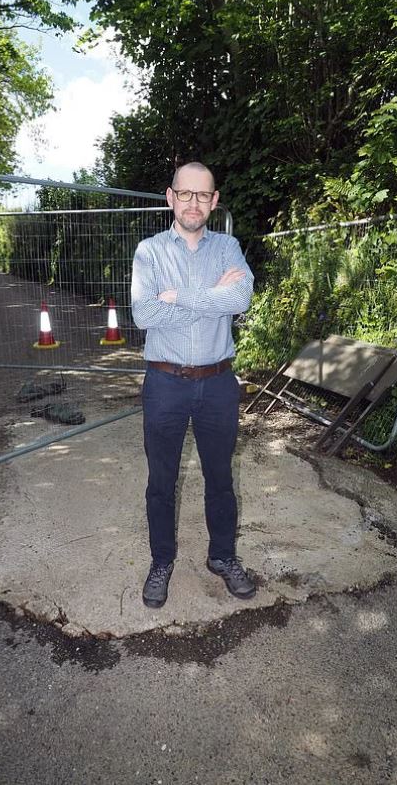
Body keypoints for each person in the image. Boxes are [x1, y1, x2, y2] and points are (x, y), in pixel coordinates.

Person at [131, 161, 256, 608]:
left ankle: (223, 557)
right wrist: (212, 300)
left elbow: (241, 297)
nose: (194, 203)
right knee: (161, 481)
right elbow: (144, 314)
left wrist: (179, 297)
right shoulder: (149, 252)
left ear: (214, 200)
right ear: (170, 197)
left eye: (203, 195)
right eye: (186, 194)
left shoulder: (228, 247)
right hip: (165, 383)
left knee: (220, 478)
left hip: (218, 383)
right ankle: (161, 561)